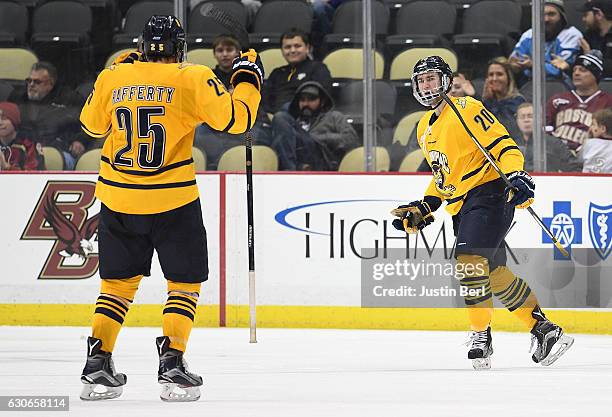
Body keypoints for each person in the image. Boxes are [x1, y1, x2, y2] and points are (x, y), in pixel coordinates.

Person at [78, 15, 263, 402]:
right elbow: (237, 120)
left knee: (116, 286)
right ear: (179, 48)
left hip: (119, 199)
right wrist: (248, 78)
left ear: (142, 47)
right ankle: (172, 363)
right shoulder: (192, 76)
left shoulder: (112, 76)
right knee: (183, 283)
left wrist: (118, 73)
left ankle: (97, 364)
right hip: (173, 200)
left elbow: (92, 126)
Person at [391, 55, 574, 370]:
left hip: (490, 193)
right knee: (492, 272)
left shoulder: (467, 109)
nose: (426, 85)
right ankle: (544, 330)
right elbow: (442, 177)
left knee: (469, 263)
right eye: (421, 80)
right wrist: (426, 206)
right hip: (462, 205)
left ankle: (480, 334)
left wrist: (516, 175)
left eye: (432, 78)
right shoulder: (423, 128)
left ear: (447, 81)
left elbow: (505, 147)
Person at [253, 28, 332, 146]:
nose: (292, 50)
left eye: (297, 46)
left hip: (303, 122)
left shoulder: (318, 68)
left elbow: (322, 97)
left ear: (308, 48)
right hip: (274, 122)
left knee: (283, 113)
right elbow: (265, 99)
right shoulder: (277, 73)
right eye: (287, 47)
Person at [8, 61, 86, 170]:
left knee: (50, 159)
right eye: (29, 80)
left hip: (59, 151)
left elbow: (90, 123)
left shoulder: (70, 99)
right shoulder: (17, 97)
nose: (31, 85)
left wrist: (81, 140)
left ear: (50, 83)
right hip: (22, 149)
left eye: (37, 82)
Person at [270, 81, 358, 170]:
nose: (305, 104)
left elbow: (351, 139)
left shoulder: (334, 117)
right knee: (280, 121)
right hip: (300, 160)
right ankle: (296, 168)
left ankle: (291, 172)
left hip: (322, 159)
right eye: (302, 100)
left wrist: (319, 138)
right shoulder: (293, 123)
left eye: (311, 99)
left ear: (322, 101)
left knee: (280, 117)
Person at [193, 34, 245, 170]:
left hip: (238, 125)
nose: (225, 54)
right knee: (198, 133)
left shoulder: (245, 75)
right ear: (214, 54)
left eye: (229, 50)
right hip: (211, 125)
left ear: (237, 53)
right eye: (220, 50)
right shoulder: (207, 77)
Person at [546, 50, 612, 152]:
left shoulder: (608, 102)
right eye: (574, 70)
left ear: (595, 75)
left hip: (594, 154)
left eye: (583, 70)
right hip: (558, 155)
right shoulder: (557, 99)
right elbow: (546, 129)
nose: (576, 73)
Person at [509, 0, 583, 84]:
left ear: (562, 16)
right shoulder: (529, 35)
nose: (546, 19)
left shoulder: (571, 35)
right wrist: (515, 65)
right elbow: (515, 60)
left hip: (561, 87)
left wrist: (532, 65)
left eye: (551, 14)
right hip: (530, 87)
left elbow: (557, 70)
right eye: (542, 14)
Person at [515, 102, 582, 172]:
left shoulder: (554, 144)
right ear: (517, 121)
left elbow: (575, 169)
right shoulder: (512, 144)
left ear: (540, 119)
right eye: (522, 117)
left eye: (530, 116)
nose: (526, 120)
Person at [481, 57, 526, 140]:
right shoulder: (486, 103)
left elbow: (505, 127)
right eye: (491, 75)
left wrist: (489, 102)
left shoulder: (517, 101)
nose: (494, 78)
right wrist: (485, 101)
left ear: (508, 78)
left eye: (499, 74)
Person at [0, 102, 45, 171]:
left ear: (14, 120)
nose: (0, 122)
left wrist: (7, 167)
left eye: (4, 118)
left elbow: (35, 175)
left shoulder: (29, 143)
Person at [580, 0, 612, 78]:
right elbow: (580, 63)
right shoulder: (588, 36)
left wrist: (590, 56)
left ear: (598, 14)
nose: (583, 19)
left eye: (586, 15)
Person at [581, 107, 612, 172]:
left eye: (593, 124)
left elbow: (578, 161)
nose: (591, 127)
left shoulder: (589, 143)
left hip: (586, 179)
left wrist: (588, 138)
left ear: (603, 129)